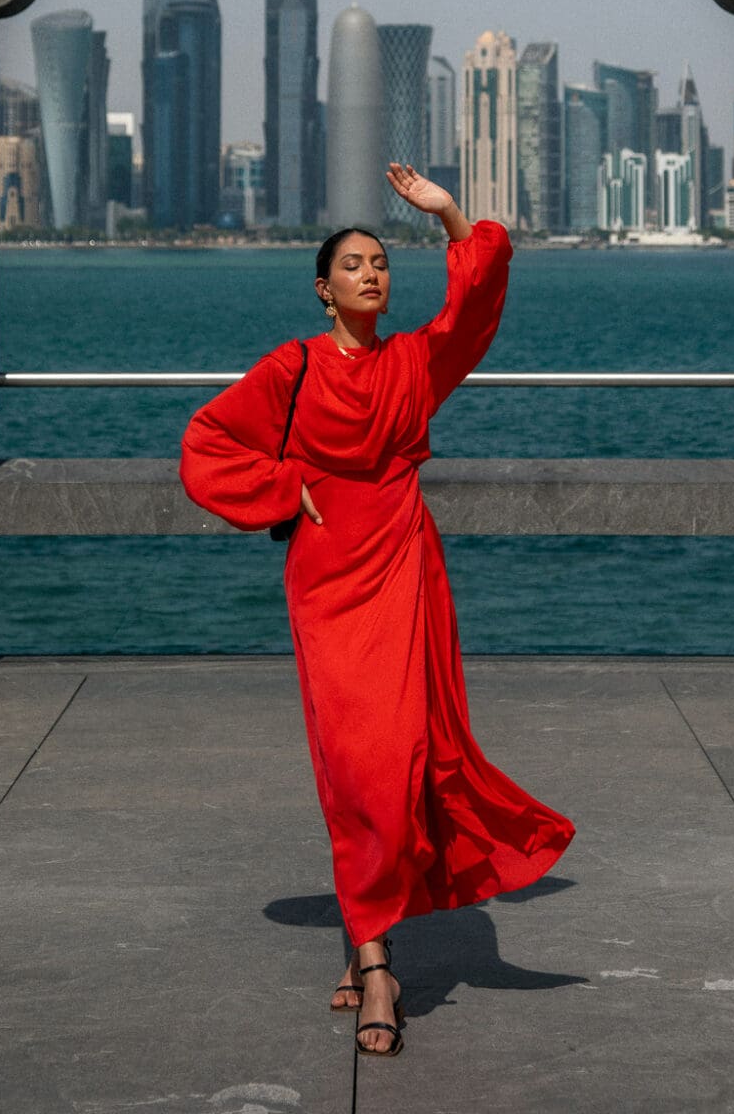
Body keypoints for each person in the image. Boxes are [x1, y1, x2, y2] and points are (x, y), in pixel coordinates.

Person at [179, 160, 576, 1056]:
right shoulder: (292, 367)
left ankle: (371, 957)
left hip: (402, 562)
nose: (372, 273)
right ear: (324, 289)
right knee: (356, 767)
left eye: (381, 264)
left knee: (403, 759)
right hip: (327, 575)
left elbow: (473, 307)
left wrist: (447, 216)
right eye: (354, 264)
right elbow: (206, 442)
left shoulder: (414, 363)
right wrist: (285, 486)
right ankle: (375, 955)